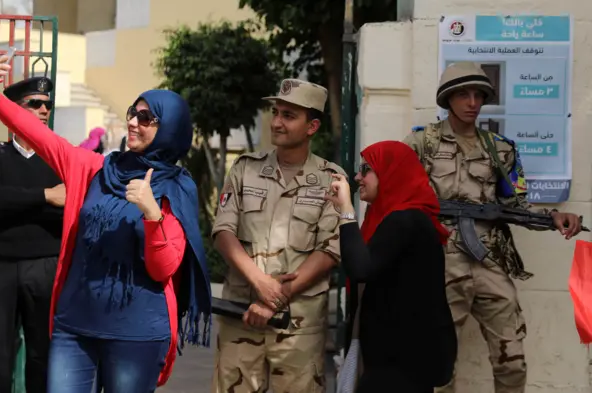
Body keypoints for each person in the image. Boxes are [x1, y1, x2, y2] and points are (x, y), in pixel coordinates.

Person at [0, 55, 212, 393]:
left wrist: (152, 215)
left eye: (146, 118)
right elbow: (44, 139)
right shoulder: (97, 168)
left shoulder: (175, 187)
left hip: (137, 334)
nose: (133, 122)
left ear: (169, 128)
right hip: (75, 325)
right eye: (133, 112)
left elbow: (163, 269)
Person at [403, 61, 583, 393]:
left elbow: (516, 204)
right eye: (463, 94)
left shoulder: (500, 149)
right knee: (439, 363)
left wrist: (553, 218)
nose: (472, 102)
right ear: (448, 99)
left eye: (478, 95)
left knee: (512, 358)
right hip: (440, 260)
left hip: (488, 259)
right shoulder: (421, 143)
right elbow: (395, 197)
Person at [211, 78, 345, 392]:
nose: (276, 122)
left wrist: (275, 299)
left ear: (312, 127)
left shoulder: (330, 179)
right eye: (276, 112)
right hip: (242, 315)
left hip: (299, 325)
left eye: (288, 115)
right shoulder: (246, 168)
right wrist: (259, 282)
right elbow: (222, 231)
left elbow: (330, 250)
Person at [326, 141, 457, 393]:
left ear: (390, 172)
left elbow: (361, 269)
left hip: (402, 366)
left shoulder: (405, 220)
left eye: (366, 169)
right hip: (395, 361)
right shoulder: (396, 218)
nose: (357, 177)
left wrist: (345, 211)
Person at [0, 76, 64, 393]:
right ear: (14, 111)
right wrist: (46, 197)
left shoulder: (61, 159)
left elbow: (69, 206)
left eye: (47, 104)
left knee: (45, 358)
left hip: (45, 266)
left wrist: (18, 200)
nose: (43, 109)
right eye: (34, 104)